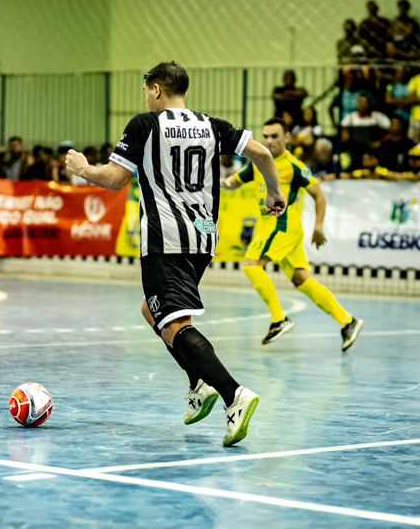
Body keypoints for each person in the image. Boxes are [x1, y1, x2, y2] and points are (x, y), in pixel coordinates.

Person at [65, 62, 287, 447]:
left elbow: (116, 179)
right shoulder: (212, 125)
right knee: (153, 311)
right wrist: (274, 193)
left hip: (164, 238)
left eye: (146, 92)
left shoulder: (144, 125)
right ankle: (198, 381)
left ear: (155, 90)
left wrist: (84, 168)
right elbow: (264, 154)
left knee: (172, 323)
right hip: (202, 238)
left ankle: (234, 395)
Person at [220, 118, 363, 352]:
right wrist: (220, 183)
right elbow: (235, 181)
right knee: (302, 280)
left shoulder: (293, 165)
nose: (268, 141)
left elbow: (319, 195)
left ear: (287, 137)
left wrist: (318, 226)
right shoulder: (258, 161)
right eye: (265, 136)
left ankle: (279, 319)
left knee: (250, 265)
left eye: (274, 136)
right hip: (279, 230)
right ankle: (348, 321)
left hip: (281, 226)